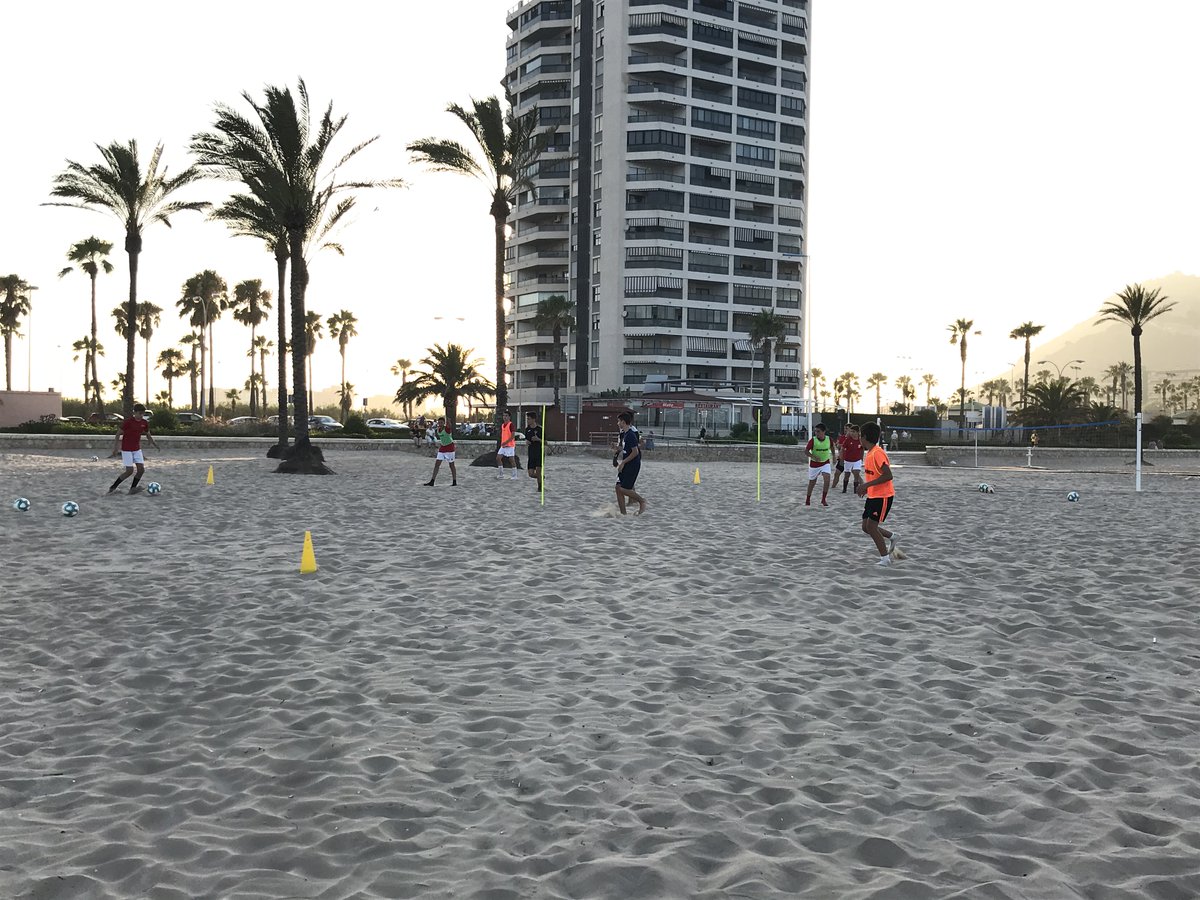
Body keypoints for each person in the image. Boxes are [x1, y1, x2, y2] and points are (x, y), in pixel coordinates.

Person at [856, 422, 899, 567]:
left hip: (884, 496)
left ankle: (885, 559)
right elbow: (874, 476)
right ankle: (892, 536)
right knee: (865, 527)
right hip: (873, 495)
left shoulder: (878, 452)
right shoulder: (870, 453)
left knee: (872, 527)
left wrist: (866, 485)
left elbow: (888, 475)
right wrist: (867, 489)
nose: (859, 439)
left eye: (860, 436)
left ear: (865, 437)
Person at [107, 403, 160, 494]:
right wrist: (116, 448)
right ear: (134, 412)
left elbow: (148, 434)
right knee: (129, 471)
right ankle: (113, 487)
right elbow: (118, 434)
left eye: (143, 414)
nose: (141, 415)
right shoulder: (128, 422)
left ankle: (132, 488)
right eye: (139, 413)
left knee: (141, 470)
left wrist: (154, 443)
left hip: (137, 449)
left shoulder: (144, 423)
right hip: (126, 449)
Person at [612, 410, 647, 514]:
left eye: (619, 421)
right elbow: (624, 448)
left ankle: (641, 501)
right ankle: (623, 514)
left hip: (632, 464)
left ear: (623, 422)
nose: (617, 423)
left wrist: (622, 463)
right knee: (618, 488)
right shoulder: (625, 434)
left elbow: (635, 452)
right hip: (627, 462)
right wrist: (616, 449)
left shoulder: (631, 434)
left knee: (624, 489)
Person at [804, 422, 834, 507]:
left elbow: (832, 446)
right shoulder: (813, 440)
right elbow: (806, 451)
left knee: (827, 480)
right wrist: (813, 456)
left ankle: (823, 499)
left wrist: (834, 456)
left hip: (825, 462)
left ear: (824, 432)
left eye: (818, 431)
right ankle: (808, 499)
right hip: (814, 464)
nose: (816, 433)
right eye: (815, 431)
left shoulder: (829, 439)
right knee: (812, 482)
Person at [423, 417, 457, 486]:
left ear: (444, 423)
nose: (440, 424)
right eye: (439, 422)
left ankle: (454, 481)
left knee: (451, 465)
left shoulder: (446, 429)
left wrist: (448, 421)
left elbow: (449, 426)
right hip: (442, 448)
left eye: (441, 422)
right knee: (437, 464)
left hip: (450, 448)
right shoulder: (438, 430)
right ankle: (432, 481)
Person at [835, 423, 865, 494]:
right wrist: (841, 458)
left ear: (858, 432)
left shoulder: (860, 440)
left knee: (856, 474)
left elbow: (863, 449)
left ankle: (855, 490)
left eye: (854, 432)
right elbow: (842, 448)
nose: (852, 433)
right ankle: (844, 489)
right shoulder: (848, 440)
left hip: (857, 460)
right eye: (851, 431)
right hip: (848, 460)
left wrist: (861, 458)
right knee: (847, 475)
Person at [495, 411, 518, 480]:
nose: (504, 417)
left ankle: (515, 475)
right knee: (498, 458)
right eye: (504, 415)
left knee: (511, 460)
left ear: (509, 417)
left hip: (510, 445)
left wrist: (506, 442)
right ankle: (501, 474)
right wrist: (503, 443)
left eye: (506, 416)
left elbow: (512, 436)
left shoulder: (511, 425)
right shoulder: (502, 425)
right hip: (503, 446)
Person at [524, 411, 543, 491]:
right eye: (527, 419)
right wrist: (527, 442)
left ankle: (540, 487)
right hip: (531, 453)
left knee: (538, 471)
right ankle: (541, 478)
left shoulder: (540, 429)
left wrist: (538, 439)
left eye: (529, 419)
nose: (527, 420)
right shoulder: (527, 429)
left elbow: (546, 442)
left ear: (533, 419)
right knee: (531, 474)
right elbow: (527, 440)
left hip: (539, 453)